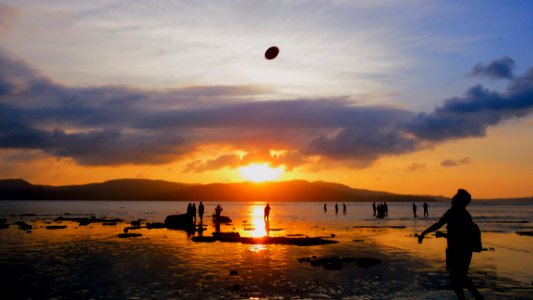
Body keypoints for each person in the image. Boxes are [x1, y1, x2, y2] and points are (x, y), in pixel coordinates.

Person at [418, 189, 484, 300]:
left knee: (459, 278)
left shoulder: (463, 215)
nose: (453, 196)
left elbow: (462, 237)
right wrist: (424, 233)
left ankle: (477, 297)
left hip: (463, 251)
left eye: (456, 196)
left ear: (460, 200)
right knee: (457, 279)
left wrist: (443, 235)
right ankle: (476, 297)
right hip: (453, 250)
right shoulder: (452, 212)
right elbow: (438, 224)